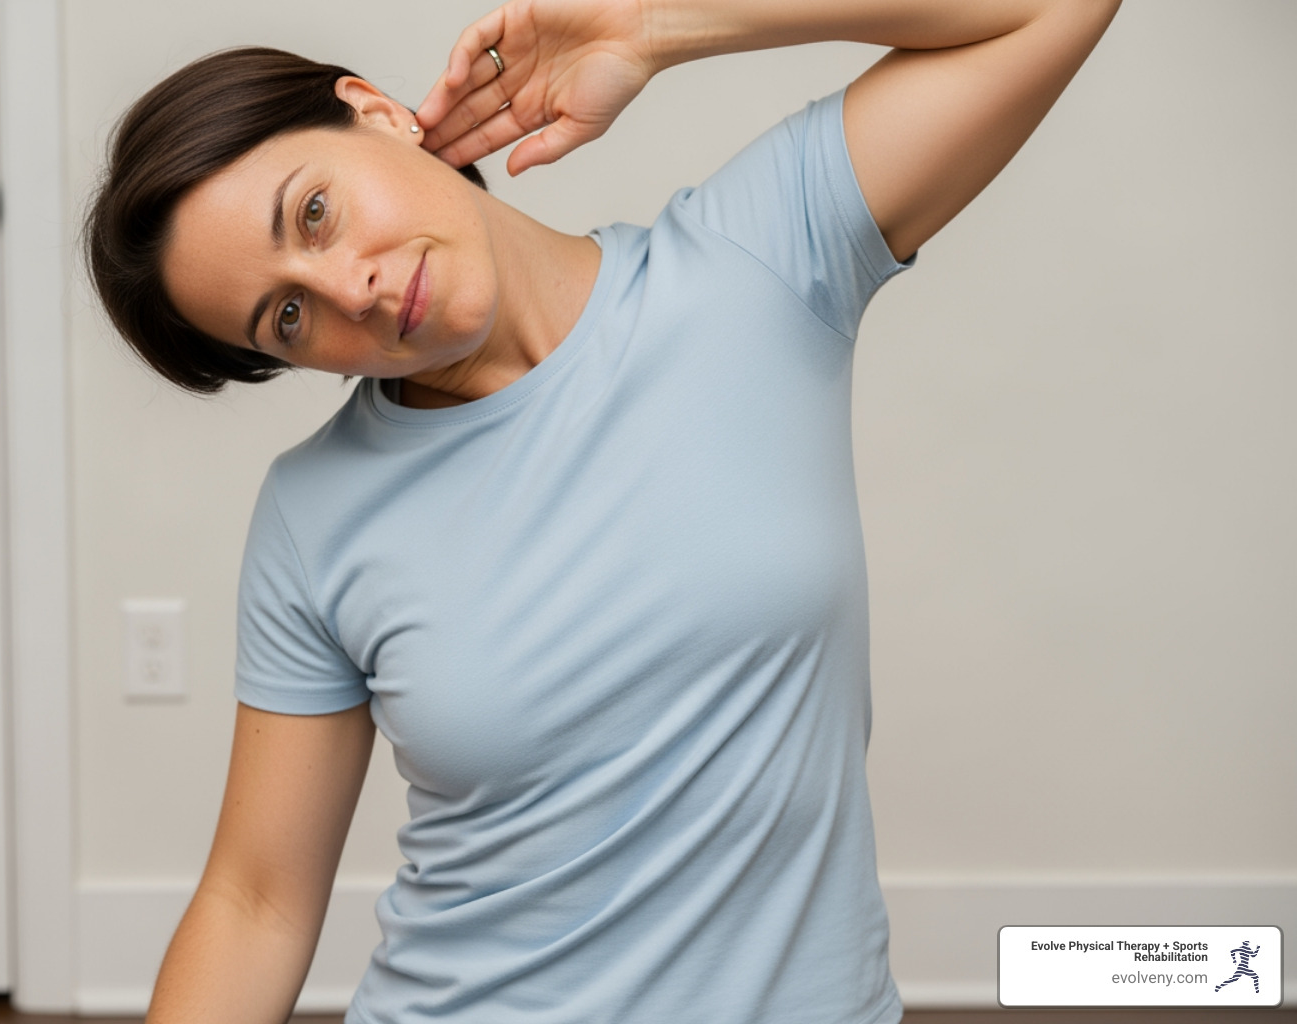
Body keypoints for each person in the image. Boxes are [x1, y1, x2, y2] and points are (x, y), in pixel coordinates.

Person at [84, 1, 1121, 1021]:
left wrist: (656, 26)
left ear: (377, 112)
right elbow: (256, 902)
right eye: (289, 316)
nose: (346, 289)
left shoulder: (752, 266)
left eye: (312, 212)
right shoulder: (311, 518)